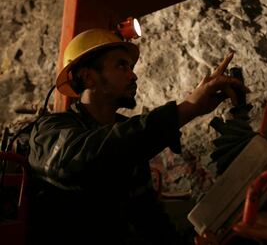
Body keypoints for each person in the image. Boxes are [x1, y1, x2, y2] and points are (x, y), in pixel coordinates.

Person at [27, 28, 249, 245]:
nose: (133, 74)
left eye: (131, 66)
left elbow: (147, 216)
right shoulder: (50, 129)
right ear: (88, 77)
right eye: (121, 65)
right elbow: (81, 160)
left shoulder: (129, 140)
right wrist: (186, 109)